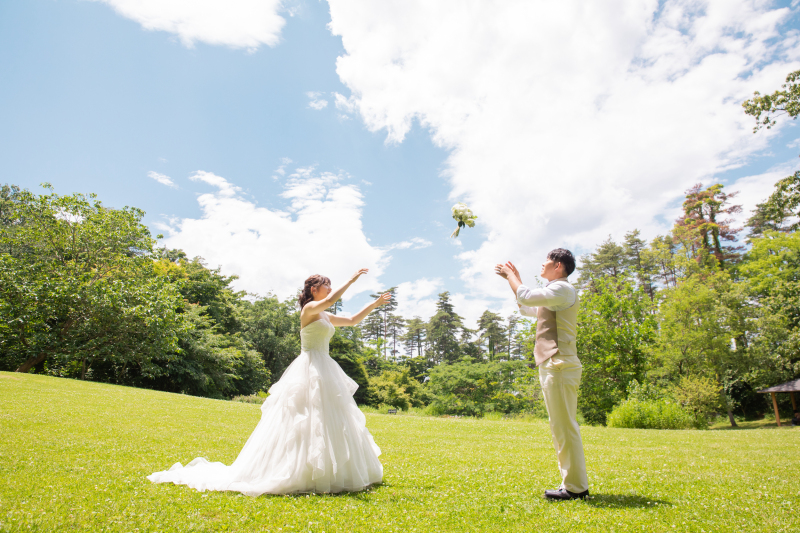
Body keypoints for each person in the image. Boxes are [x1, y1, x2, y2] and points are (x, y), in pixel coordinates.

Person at [148, 269, 391, 495]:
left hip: (326, 368)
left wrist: (375, 304)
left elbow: (352, 321)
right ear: (313, 290)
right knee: (301, 418)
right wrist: (352, 281)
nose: (329, 289)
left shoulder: (325, 316)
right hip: (308, 368)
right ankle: (296, 469)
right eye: (326, 286)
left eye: (330, 286)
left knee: (326, 418)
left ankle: (328, 470)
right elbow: (328, 302)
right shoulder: (309, 310)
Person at [495, 249, 589, 501]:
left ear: (558, 266)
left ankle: (576, 488)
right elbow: (527, 307)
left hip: (560, 364)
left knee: (565, 426)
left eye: (546, 261)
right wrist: (513, 280)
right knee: (560, 426)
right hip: (555, 364)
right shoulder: (554, 294)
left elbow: (525, 294)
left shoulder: (562, 290)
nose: (542, 264)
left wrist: (512, 278)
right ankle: (573, 484)